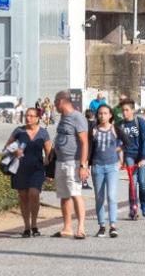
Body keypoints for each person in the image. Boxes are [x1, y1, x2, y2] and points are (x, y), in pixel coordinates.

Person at [4, 107, 53, 237]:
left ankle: (34, 225)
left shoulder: (43, 133)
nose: (28, 118)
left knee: (34, 193)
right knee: (23, 196)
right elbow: (6, 147)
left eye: (31, 116)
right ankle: (26, 227)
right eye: (27, 115)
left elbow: (49, 153)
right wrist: (15, 150)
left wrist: (50, 172)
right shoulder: (18, 131)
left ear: (37, 118)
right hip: (20, 168)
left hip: (37, 168)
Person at [52, 90, 89, 239]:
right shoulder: (63, 117)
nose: (54, 105)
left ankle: (81, 228)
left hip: (73, 162)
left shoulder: (77, 117)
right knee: (64, 195)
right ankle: (67, 227)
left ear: (61, 101)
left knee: (75, 193)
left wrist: (83, 165)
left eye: (55, 102)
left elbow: (84, 142)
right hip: (60, 161)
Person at [88, 104, 128, 237]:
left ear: (110, 115)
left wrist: (119, 151)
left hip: (112, 166)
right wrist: (86, 165)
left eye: (105, 113)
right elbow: (89, 149)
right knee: (99, 198)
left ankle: (113, 225)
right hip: (97, 166)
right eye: (100, 113)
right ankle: (101, 226)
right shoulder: (93, 130)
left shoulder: (115, 129)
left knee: (111, 196)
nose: (102, 116)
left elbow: (127, 142)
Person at [118, 99, 145, 217]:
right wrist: (120, 159)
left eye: (127, 110)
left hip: (141, 155)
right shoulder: (120, 125)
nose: (124, 113)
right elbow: (118, 143)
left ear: (132, 110)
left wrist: (144, 157)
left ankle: (144, 205)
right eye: (123, 111)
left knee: (142, 182)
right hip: (129, 155)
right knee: (132, 181)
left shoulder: (140, 122)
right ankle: (133, 207)